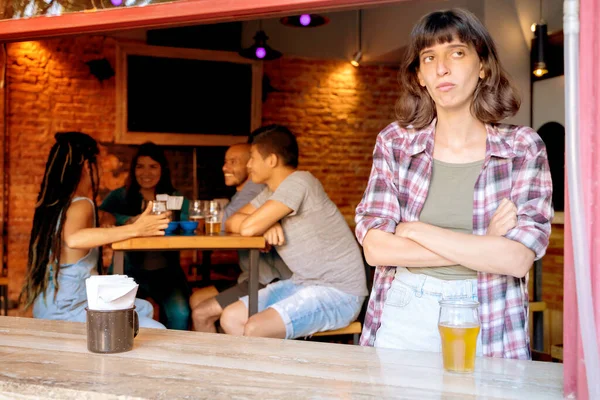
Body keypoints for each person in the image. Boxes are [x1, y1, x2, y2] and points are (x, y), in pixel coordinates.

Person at [355, 9, 553, 359]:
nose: (441, 68)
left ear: (483, 66)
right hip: (406, 309)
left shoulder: (523, 147)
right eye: (429, 57)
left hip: (487, 311)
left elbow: (517, 259)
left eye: (456, 52)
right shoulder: (396, 143)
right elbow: (376, 249)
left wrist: (415, 230)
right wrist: (485, 244)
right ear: (419, 76)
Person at [220, 125, 367, 339]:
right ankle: (258, 371)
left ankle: (267, 372)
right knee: (231, 317)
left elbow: (249, 227)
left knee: (255, 328)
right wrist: (268, 223)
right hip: (303, 282)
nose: (249, 164)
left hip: (340, 293)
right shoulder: (272, 192)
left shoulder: (300, 181)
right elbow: (231, 222)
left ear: (271, 160)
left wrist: (261, 222)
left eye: (252, 157)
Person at [21, 132, 167, 329]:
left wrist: (117, 222)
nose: (103, 167)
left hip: (49, 304)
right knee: (159, 329)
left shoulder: (55, 205)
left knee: (144, 307)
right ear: (86, 166)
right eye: (99, 161)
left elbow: (80, 232)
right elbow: (74, 239)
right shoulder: (82, 204)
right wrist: (135, 229)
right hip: (69, 308)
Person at [190, 136, 291, 332]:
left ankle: (217, 359)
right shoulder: (245, 192)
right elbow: (228, 222)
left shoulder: (255, 190)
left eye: (233, 162)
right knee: (197, 299)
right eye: (225, 161)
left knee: (201, 313)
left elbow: (223, 224)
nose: (224, 167)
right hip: (248, 277)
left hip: (268, 280)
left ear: (251, 164)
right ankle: (221, 349)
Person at [100, 142, 191, 330]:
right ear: (133, 170)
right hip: (127, 271)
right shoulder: (121, 196)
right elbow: (103, 216)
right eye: (140, 166)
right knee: (125, 317)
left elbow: (188, 220)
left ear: (162, 169)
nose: (146, 173)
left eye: (153, 166)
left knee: (180, 314)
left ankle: (173, 356)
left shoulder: (175, 198)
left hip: (166, 271)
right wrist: (131, 220)